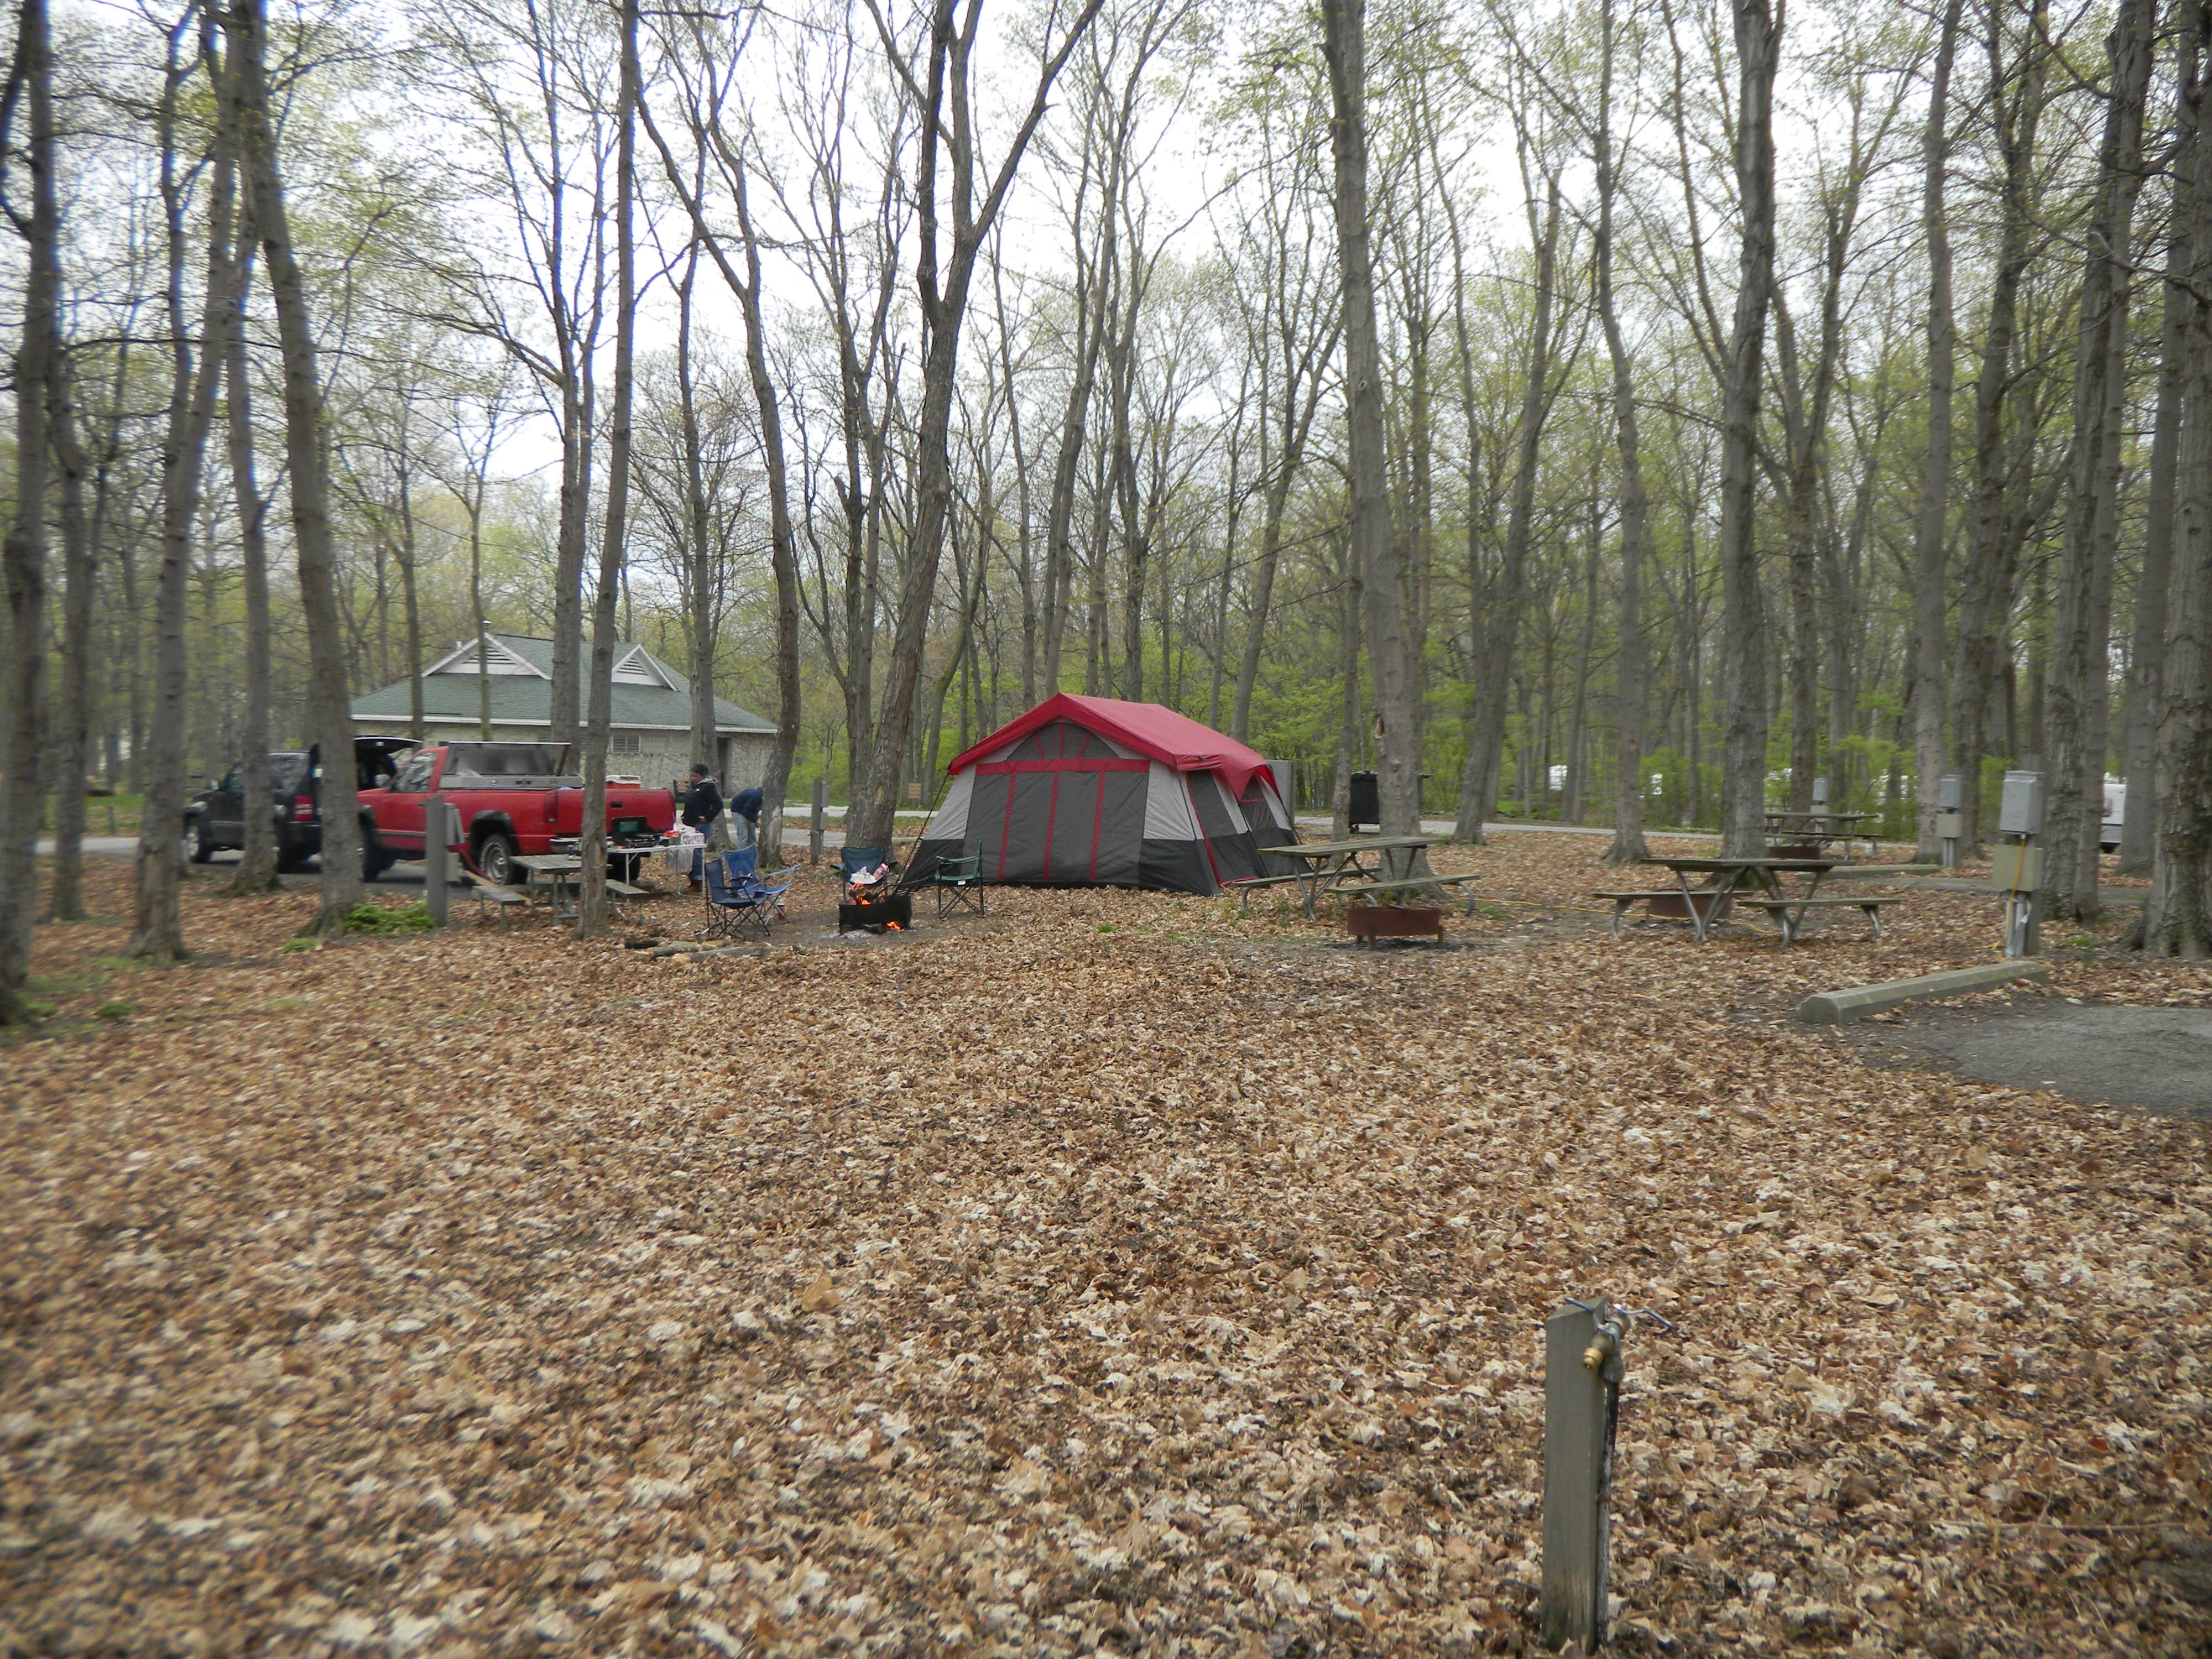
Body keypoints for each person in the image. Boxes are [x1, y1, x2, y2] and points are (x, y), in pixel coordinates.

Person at [682, 764, 727, 890]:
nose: (693, 778)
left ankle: (699, 881)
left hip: (701, 825)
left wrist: (707, 817)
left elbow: (718, 804)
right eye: (692, 776)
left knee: (697, 852)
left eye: (696, 776)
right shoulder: (694, 787)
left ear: (703, 776)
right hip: (690, 824)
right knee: (689, 853)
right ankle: (692, 880)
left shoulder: (708, 787)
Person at [730, 785, 763, 851]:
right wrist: (755, 821)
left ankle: (752, 855)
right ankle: (742, 855)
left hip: (748, 812)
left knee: (752, 837)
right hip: (738, 811)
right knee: (743, 836)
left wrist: (755, 820)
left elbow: (754, 810)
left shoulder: (763, 798)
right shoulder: (757, 796)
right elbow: (747, 811)